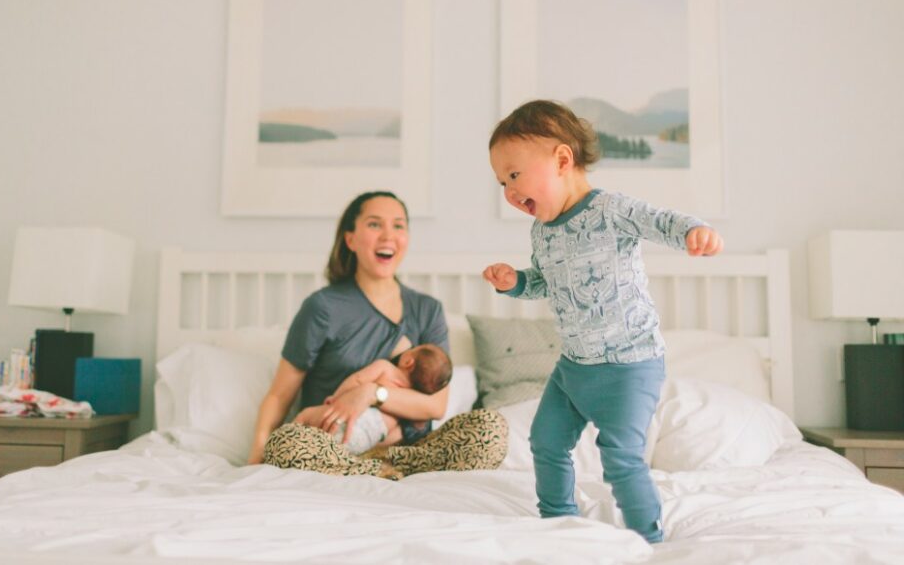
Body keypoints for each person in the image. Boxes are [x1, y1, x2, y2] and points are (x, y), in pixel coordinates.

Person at [482, 100, 724, 544]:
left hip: (630, 364)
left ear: (561, 160)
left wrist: (694, 231)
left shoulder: (610, 210)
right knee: (546, 441)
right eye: (501, 182)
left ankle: (647, 536)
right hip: (573, 368)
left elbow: (663, 221)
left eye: (514, 175)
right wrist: (516, 282)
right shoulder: (542, 230)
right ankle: (557, 520)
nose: (509, 192)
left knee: (620, 456)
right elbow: (546, 283)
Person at [248, 191, 507, 478]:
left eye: (398, 226)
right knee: (286, 444)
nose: (388, 235)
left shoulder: (427, 310)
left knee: (490, 431)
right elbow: (278, 396)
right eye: (374, 224)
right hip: (334, 448)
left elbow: (435, 405)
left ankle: (383, 468)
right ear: (350, 239)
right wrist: (256, 459)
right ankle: (367, 469)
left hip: (411, 450)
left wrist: (372, 393)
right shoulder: (323, 307)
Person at [294, 343, 453, 454]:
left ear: (408, 361)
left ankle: (285, 443)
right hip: (368, 440)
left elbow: (357, 380)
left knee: (305, 415)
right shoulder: (408, 403)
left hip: (349, 421)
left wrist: (336, 398)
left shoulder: (386, 368)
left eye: (414, 348)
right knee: (335, 452)